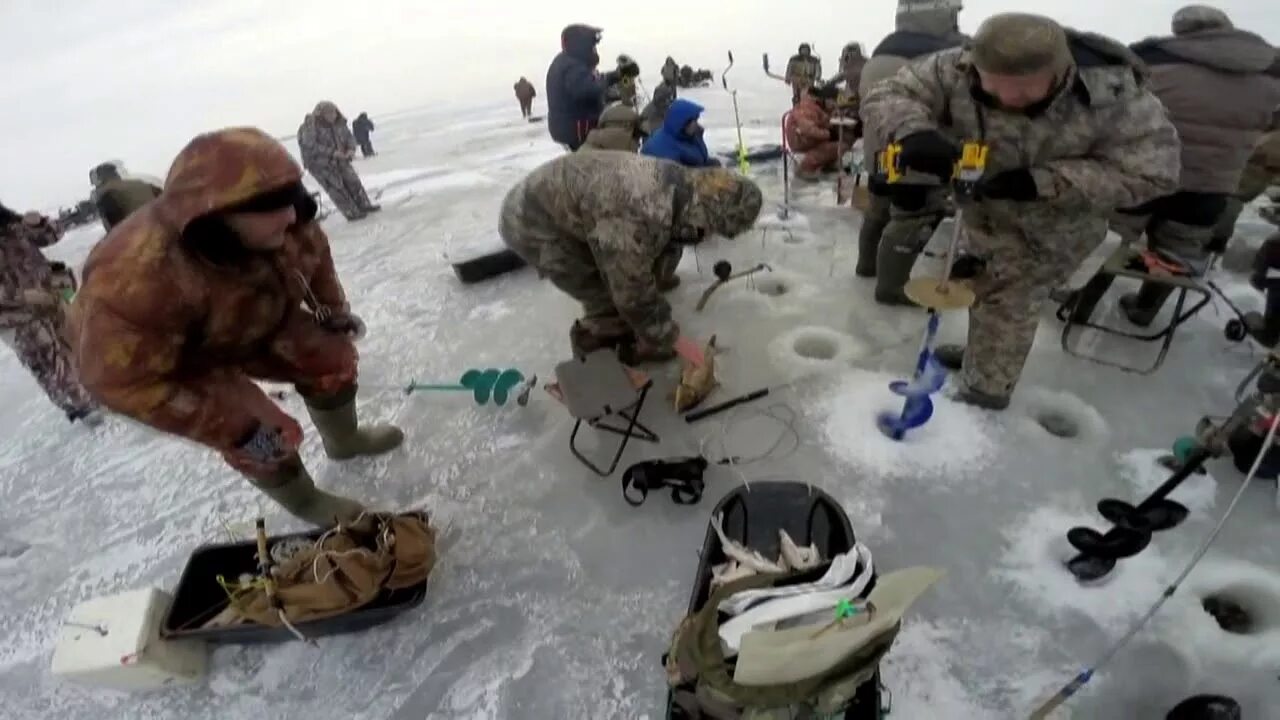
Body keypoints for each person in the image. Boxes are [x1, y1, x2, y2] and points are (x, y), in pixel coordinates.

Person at [66, 127, 404, 527]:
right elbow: (117, 381)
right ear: (214, 218)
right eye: (272, 207)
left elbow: (317, 260)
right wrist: (231, 421)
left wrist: (332, 311)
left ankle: (343, 440)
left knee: (329, 356)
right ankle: (306, 500)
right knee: (256, 434)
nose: (293, 215)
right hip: (173, 361)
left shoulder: (288, 220)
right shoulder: (134, 279)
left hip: (249, 320)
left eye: (292, 199)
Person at [861, 12, 1180, 409]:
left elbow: (1154, 173)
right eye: (992, 91)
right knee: (985, 294)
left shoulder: (1114, 96)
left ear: (1061, 72)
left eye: (1026, 95)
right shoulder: (951, 67)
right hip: (981, 218)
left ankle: (983, 397)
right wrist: (914, 130)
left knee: (1009, 306)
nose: (1008, 103)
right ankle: (983, 359)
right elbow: (887, 93)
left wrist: (1043, 182)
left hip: (1048, 232)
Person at [1101, 5, 1280, 326]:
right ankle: (1145, 310)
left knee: (1107, 242)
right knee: (1175, 255)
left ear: (1182, 31)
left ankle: (1080, 300)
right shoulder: (1270, 71)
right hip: (1209, 189)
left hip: (1143, 177)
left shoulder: (1153, 59)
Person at [498, 153, 762, 363]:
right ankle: (596, 345)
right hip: (532, 222)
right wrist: (670, 339)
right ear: (708, 212)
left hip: (573, 206)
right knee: (604, 293)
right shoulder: (641, 212)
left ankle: (629, 330)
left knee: (633, 274)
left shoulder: (684, 186)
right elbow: (630, 288)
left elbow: (662, 241)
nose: (709, 237)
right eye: (714, 229)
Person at [856, 0, 967, 300]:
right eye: (952, 16)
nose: (956, 24)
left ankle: (866, 266)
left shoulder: (880, 54)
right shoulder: (936, 59)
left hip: (878, 151)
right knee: (912, 215)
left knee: (878, 208)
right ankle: (891, 287)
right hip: (916, 154)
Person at [0, 204, 101, 425]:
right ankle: (83, 408)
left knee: (75, 346)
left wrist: (40, 223)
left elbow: (52, 235)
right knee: (48, 362)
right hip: (16, 318)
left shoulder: (11, 225)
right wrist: (23, 296)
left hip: (51, 300)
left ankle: (95, 395)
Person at [546, 24, 637, 151]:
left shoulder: (570, 62)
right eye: (592, 47)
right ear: (582, 47)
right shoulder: (572, 67)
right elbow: (587, 88)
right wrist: (616, 76)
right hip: (576, 130)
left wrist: (616, 78)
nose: (595, 51)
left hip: (568, 127)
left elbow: (592, 82)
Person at [298, 101, 380, 221]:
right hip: (320, 165)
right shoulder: (309, 127)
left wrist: (351, 149)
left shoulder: (339, 124)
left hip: (341, 159)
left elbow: (349, 137)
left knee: (353, 181)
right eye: (328, 113)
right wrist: (332, 153)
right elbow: (310, 145)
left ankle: (364, 205)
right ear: (320, 114)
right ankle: (351, 212)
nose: (332, 115)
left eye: (334, 112)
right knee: (337, 188)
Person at [786, 84, 849, 180]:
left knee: (841, 141)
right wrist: (828, 134)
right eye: (834, 102)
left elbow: (822, 121)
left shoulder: (816, 107)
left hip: (806, 139)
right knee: (840, 146)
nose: (835, 105)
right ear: (827, 99)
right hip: (800, 140)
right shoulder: (807, 108)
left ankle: (827, 164)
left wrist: (832, 123)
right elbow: (808, 130)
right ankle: (805, 168)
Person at [641, 98, 720, 168]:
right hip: (669, 178)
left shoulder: (684, 136)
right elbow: (696, 162)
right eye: (694, 121)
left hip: (685, 170)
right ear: (682, 123)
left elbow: (702, 158)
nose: (697, 124)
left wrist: (699, 137)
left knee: (714, 164)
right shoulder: (663, 149)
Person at [89, 161, 162, 233]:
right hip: (163, 227)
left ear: (100, 180)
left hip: (140, 236)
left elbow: (115, 231)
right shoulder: (141, 183)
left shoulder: (106, 196)